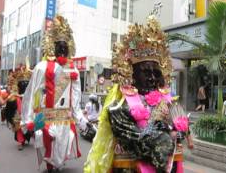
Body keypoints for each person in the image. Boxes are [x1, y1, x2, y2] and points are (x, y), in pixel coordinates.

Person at [84, 16, 193, 173]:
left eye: (156, 73)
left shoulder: (169, 104)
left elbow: (182, 128)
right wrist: (171, 135)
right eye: (146, 72)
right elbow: (145, 143)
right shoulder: (118, 109)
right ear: (132, 74)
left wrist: (182, 130)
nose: (152, 78)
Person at [21, 15, 88, 173]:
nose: (63, 50)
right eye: (60, 46)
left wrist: (80, 118)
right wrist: (28, 118)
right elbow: (31, 94)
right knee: (46, 143)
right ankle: (50, 166)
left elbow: (76, 97)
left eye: (65, 47)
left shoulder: (73, 69)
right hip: (45, 115)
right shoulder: (42, 67)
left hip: (64, 116)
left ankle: (57, 165)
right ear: (53, 46)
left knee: (62, 146)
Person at [5, 65, 32, 150]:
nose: (23, 70)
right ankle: (20, 141)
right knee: (18, 122)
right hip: (19, 101)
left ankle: (26, 137)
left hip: (29, 102)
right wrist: (16, 95)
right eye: (22, 69)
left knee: (29, 121)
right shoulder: (16, 80)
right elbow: (14, 90)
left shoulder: (31, 80)